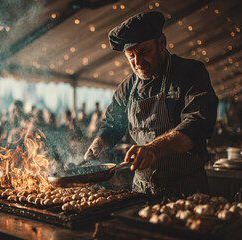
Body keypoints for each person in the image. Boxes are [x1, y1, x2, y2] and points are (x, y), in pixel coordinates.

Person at [84, 12, 218, 196]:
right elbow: (112, 124)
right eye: (131, 56)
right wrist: (99, 144)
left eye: (144, 52)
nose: (137, 62)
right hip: (141, 190)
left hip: (186, 188)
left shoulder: (191, 73)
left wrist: (154, 149)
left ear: (162, 43)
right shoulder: (127, 87)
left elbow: (198, 124)